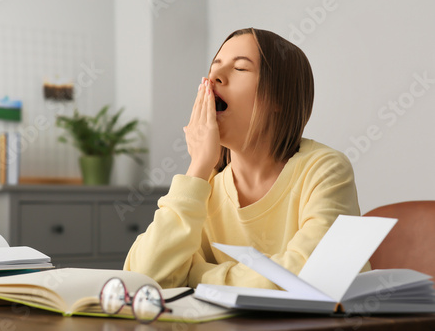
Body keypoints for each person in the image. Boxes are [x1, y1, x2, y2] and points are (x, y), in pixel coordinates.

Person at [124, 28, 366, 289]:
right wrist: (198, 167)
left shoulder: (325, 170)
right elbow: (144, 278)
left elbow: (312, 275)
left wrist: (196, 276)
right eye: (215, 66)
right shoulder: (205, 188)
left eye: (240, 69)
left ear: (278, 98)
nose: (215, 76)